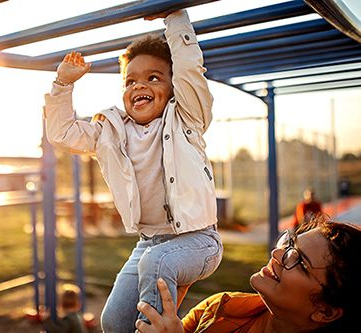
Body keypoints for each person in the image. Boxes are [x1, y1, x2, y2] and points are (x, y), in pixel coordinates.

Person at [44, 8, 222, 332]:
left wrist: (175, 17)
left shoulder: (186, 119)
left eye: (153, 77)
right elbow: (62, 134)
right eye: (131, 81)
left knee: (156, 265)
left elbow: (189, 70)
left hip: (199, 241)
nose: (140, 85)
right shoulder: (110, 131)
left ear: (172, 88)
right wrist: (62, 85)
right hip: (149, 242)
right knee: (112, 321)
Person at [136, 218, 361, 333]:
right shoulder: (220, 308)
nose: (277, 253)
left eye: (299, 260)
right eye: (289, 243)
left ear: (326, 311)